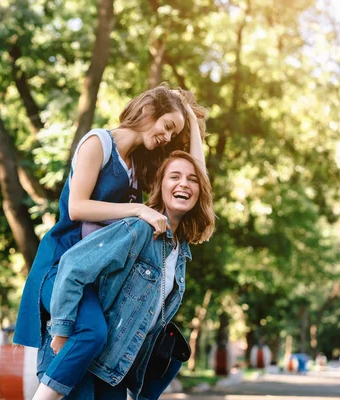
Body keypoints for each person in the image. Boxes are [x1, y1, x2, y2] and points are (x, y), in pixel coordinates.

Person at [13, 86, 208, 396]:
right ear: (147, 111)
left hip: (100, 279)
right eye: (168, 126)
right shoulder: (98, 143)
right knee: (91, 332)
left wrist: (191, 121)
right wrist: (138, 209)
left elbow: (193, 173)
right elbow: (77, 208)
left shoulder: (139, 163)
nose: (169, 137)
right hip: (63, 265)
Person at [38, 151, 215, 399]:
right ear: (160, 186)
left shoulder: (180, 251)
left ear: (200, 192)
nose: (184, 183)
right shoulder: (140, 228)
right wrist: (62, 329)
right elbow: (73, 265)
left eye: (193, 179)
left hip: (113, 370)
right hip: (86, 359)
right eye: (174, 176)